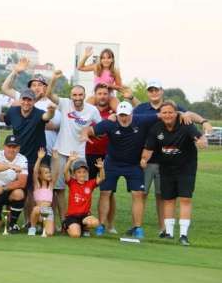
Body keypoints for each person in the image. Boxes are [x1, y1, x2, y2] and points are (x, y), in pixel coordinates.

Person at [132, 79, 212, 236]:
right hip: (153, 162)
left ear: (162, 91)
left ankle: (171, 231)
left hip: (174, 164)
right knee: (146, 195)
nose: (154, 92)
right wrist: (142, 159)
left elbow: (190, 117)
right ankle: (140, 227)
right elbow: (130, 120)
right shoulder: (141, 109)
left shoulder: (178, 113)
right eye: (151, 90)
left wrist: (204, 123)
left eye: (156, 90)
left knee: (169, 197)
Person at [82, 101, 160, 238]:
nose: (123, 118)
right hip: (112, 163)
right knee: (105, 192)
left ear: (131, 114)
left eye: (126, 115)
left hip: (134, 164)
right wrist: (85, 134)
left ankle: (138, 228)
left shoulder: (141, 119)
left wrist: (185, 115)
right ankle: (101, 225)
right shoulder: (110, 123)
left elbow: (163, 115)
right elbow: (89, 130)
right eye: (120, 115)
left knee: (138, 194)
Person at [141, 101, 208, 246]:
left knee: (185, 199)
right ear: (161, 115)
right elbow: (149, 148)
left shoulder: (185, 124)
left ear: (176, 113)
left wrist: (203, 141)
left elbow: (199, 138)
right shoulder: (156, 128)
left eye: (170, 112)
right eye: (164, 113)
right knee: (168, 200)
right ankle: (169, 233)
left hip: (186, 169)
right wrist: (143, 159)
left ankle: (183, 235)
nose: (167, 115)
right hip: (166, 169)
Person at [46, 70, 102, 227]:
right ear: (71, 96)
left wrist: (90, 134)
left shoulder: (92, 110)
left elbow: (102, 128)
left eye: (80, 95)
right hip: (60, 153)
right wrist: (54, 79)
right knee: (58, 189)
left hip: (79, 156)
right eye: (74, 95)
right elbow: (49, 94)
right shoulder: (64, 103)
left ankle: (80, 218)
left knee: (79, 188)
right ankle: (63, 221)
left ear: (84, 95)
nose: (77, 98)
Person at [3, 88, 57, 221]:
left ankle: (30, 222)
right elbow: (6, 120)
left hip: (37, 157)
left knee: (35, 192)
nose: (26, 102)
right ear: (20, 100)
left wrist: (51, 111)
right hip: (18, 159)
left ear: (34, 102)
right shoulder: (13, 112)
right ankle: (11, 222)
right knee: (17, 190)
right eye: (24, 99)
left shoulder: (39, 113)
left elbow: (47, 117)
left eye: (29, 100)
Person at [1, 60, 60, 154]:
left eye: (40, 85)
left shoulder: (53, 103)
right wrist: (15, 71)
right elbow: (5, 88)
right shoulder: (24, 99)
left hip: (49, 150)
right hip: (24, 151)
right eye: (33, 85)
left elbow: (55, 125)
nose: (36, 88)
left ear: (46, 87)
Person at [84, 83, 117, 232]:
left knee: (108, 191)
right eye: (100, 93)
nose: (102, 96)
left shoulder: (115, 112)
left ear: (109, 96)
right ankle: (84, 220)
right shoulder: (89, 110)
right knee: (86, 189)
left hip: (108, 155)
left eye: (105, 93)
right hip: (89, 153)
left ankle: (109, 225)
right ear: (95, 95)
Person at [0, 135, 28, 232]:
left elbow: (22, 182)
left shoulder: (22, 159)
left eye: (14, 147)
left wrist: (3, 188)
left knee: (19, 193)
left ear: (19, 148)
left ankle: (12, 224)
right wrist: (9, 166)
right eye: (9, 146)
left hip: (6, 191)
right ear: (4, 146)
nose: (11, 149)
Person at [62, 154, 103, 238]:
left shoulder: (90, 184)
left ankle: (84, 228)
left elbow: (101, 178)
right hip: (72, 216)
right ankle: (66, 226)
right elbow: (65, 172)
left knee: (95, 223)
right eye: (79, 172)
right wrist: (69, 161)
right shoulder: (72, 182)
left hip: (84, 216)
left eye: (84, 172)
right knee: (75, 235)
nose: (82, 174)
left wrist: (101, 168)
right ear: (74, 174)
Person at [28, 148, 59, 236]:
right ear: (40, 175)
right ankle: (32, 228)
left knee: (49, 233)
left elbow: (56, 173)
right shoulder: (37, 186)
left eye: (49, 172)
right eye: (46, 173)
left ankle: (44, 228)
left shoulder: (50, 186)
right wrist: (39, 158)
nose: (49, 174)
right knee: (36, 209)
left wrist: (56, 159)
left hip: (48, 211)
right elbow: (34, 172)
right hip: (38, 212)